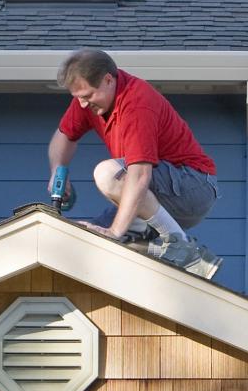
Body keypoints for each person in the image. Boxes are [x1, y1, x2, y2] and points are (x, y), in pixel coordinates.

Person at [48, 49, 222, 279]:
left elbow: (140, 176)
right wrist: (58, 171)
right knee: (90, 240)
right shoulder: (87, 101)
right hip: (155, 191)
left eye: (87, 96)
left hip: (192, 187)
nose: (82, 104)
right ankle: (158, 249)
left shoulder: (137, 103)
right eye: (77, 97)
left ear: (108, 80)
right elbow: (63, 136)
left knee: (108, 174)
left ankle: (185, 249)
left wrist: (115, 231)